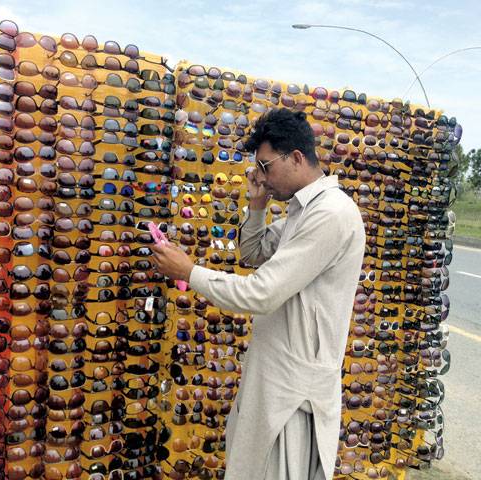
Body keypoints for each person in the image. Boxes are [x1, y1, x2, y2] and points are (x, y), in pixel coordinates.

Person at [152, 108, 365, 480]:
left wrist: (188, 272)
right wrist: (257, 205)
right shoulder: (304, 211)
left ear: (296, 157)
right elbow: (253, 253)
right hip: (274, 377)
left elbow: (262, 294)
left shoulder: (331, 213)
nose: (261, 176)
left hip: (295, 394)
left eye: (265, 167)